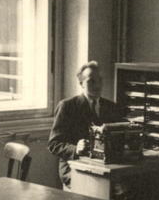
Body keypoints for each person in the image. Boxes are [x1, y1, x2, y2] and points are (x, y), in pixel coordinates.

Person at [48, 61, 125, 189]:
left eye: (99, 80)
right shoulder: (67, 107)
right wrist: (75, 149)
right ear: (81, 84)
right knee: (98, 188)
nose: (97, 85)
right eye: (91, 81)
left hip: (105, 166)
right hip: (74, 166)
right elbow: (53, 144)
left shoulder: (111, 107)